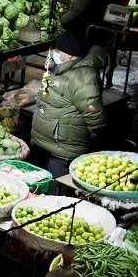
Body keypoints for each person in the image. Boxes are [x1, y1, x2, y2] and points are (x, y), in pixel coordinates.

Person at [30, 34, 108, 180]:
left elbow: (95, 117)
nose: (55, 53)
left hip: (63, 152)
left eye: (59, 51)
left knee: (55, 194)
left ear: (71, 56)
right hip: (46, 145)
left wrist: (95, 145)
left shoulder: (83, 79)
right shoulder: (58, 67)